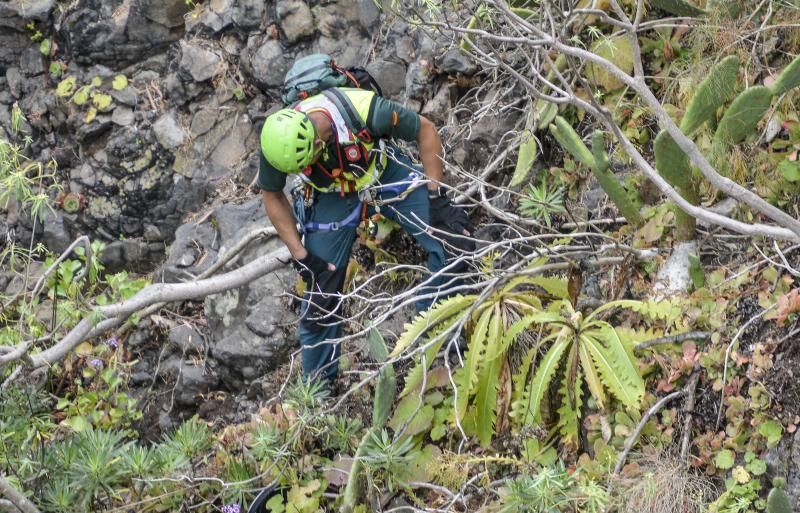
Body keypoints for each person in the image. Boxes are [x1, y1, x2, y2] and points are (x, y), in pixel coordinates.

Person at [257, 86, 472, 384]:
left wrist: (436, 197)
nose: (305, 168)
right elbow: (272, 194)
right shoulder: (276, 143)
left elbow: (426, 129)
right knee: (321, 291)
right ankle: (317, 394)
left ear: (318, 141)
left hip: (383, 172)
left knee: (452, 238)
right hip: (330, 194)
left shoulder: (366, 111)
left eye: (308, 161)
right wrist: (301, 255)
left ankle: (432, 334)